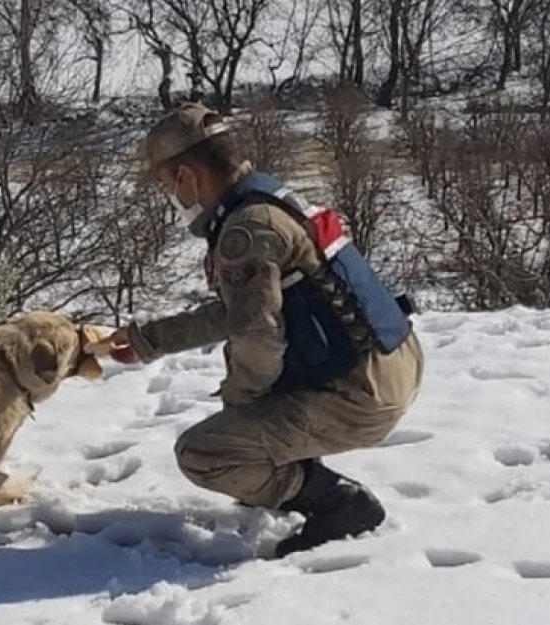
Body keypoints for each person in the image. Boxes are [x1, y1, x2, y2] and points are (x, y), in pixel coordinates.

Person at [93, 102, 425, 558]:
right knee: (247, 419)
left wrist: (241, 412)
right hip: (391, 359)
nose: (172, 197)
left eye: (168, 184)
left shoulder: (243, 230)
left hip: (361, 392)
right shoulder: (269, 198)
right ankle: (288, 469)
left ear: (188, 176)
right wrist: (151, 339)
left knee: (206, 453)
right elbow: (243, 310)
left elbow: (257, 335)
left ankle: (337, 504)